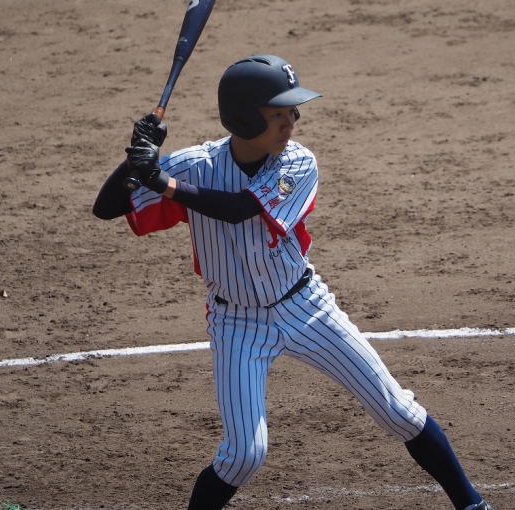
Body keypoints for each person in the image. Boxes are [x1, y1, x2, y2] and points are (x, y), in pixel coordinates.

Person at [93, 54, 494, 510]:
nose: (291, 123)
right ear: (244, 119)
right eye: (278, 114)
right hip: (236, 324)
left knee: (397, 411)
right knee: (243, 456)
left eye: (292, 112)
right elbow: (106, 207)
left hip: (306, 308)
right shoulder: (192, 166)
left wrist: (160, 180)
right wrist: (136, 158)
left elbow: (240, 209)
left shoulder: (298, 162)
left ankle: (472, 505)